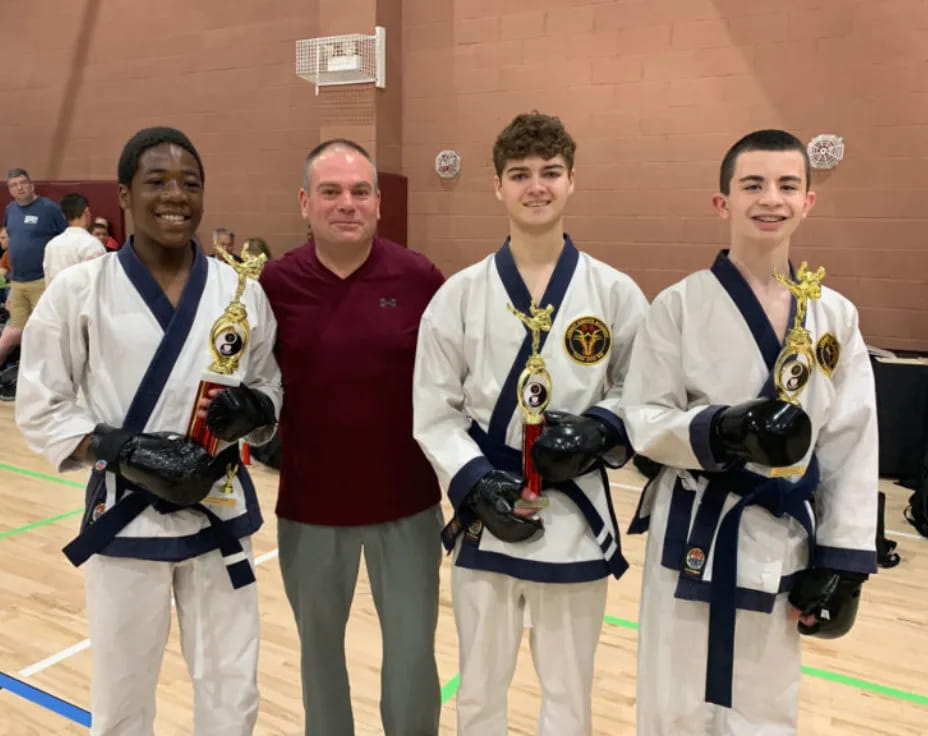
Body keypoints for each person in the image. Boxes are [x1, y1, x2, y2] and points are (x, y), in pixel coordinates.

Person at [15, 126, 282, 736]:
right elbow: (39, 403)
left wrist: (257, 411)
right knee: (122, 699)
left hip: (219, 509)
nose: (176, 196)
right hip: (128, 513)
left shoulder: (240, 291)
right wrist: (120, 447)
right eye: (157, 181)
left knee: (232, 690)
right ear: (125, 195)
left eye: (190, 183)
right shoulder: (80, 290)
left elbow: (270, 384)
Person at [622, 129, 878, 735]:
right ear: (723, 202)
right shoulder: (678, 306)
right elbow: (644, 419)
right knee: (673, 692)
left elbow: (851, 440)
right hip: (695, 520)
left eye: (788, 185)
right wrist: (725, 428)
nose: (771, 199)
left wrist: (844, 561)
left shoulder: (834, 315)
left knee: (765, 697)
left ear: (808, 201)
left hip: (779, 531)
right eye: (753, 185)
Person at [412, 112, 648, 736]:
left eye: (550, 173)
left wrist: (599, 428)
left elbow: (641, 393)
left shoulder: (615, 292)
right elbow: (432, 410)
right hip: (487, 513)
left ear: (573, 181)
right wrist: (473, 483)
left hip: (572, 511)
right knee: (480, 689)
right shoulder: (459, 296)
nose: (535, 187)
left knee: (569, 693)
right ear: (497, 186)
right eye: (520, 174)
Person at [259, 138, 445, 736]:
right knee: (319, 661)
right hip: (311, 510)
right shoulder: (273, 284)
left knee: (414, 657)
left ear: (379, 203)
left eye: (360, 191)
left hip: (408, 506)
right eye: (331, 192)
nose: (347, 204)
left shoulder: (420, 278)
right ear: (305, 202)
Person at [0, 168, 67, 372]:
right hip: (17, 283)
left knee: (47, 330)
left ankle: (54, 374)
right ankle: (26, 372)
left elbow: (65, 238)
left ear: (31, 185)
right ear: (9, 190)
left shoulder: (49, 209)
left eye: (22, 183)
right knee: (18, 331)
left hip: (41, 280)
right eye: (14, 185)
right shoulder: (10, 210)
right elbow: (10, 240)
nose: (19, 188)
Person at [42, 192, 107, 285]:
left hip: (58, 298)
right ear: (87, 212)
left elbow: (48, 282)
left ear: (63, 215)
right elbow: (100, 282)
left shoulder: (51, 245)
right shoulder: (92, 244)